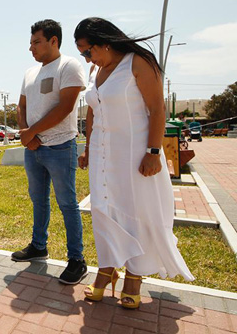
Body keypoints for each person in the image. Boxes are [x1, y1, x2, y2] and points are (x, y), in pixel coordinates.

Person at [75, 17, 194, 309]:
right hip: (104, 152)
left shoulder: (138, 62)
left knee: (134, 210)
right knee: (103, 209)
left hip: (134, 150)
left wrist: (153, 152)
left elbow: (157, 109)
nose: (86, 58)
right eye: (82, 54)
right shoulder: (96, 69)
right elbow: (93, 111)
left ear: (104, 42)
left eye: (87, 51)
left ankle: (134, 276)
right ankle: (107, 267)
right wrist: (89, 148)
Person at [11, 20, 88, 285]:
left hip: (60, 147)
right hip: (34, 150)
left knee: (67, 204)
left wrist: (32, 133)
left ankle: (77, 260)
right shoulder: (30, 73)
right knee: (38, 200)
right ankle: (38, 246)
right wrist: (26, 133)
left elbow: (65, 107)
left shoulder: (69, 66)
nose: (31, 47)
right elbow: (21, 106)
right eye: (31, 42)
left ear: (53, 41)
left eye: (36, 42)